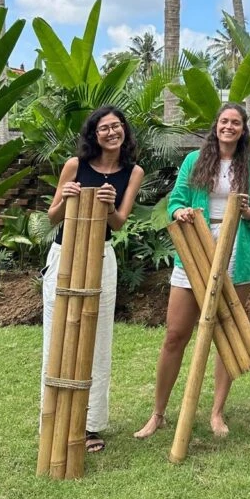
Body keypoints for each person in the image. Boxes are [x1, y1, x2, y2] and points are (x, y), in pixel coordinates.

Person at [134, 103, 250, 440]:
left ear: (243, 130)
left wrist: (248, 212)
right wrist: (179, 212)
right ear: (216, 125)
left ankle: (217, 412)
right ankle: (158, 413)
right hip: (195, 249)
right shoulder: (195, 160)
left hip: (237, 252)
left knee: (226, 335)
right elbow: (176, 200)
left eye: (235, 122)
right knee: (175, 335)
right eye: (224, 121)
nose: (229, 126)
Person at [43, 106, 145, 453]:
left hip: (101, 258)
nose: (112, 132)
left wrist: (110, 206)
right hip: (64, 256)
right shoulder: (75, 165)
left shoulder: (133, 172)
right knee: (57, 337)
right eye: (104, 128)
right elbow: (52, 216)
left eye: (117, 126)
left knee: (97, 339)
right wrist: (67, 199)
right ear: (94, 134)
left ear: (124, 131)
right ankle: (52, 418)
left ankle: (90, 426)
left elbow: (118, 222)